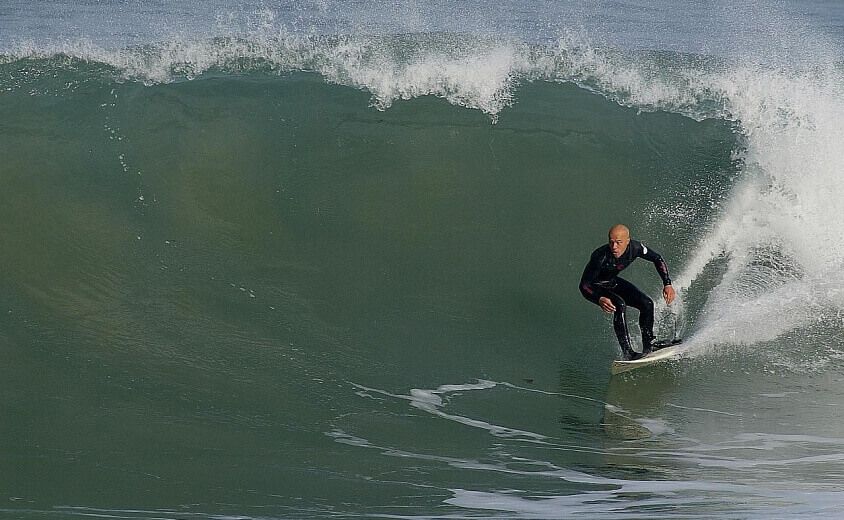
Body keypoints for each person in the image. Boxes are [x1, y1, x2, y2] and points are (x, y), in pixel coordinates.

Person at [579, 224, 676, 360]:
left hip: (612, 282)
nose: (614, 247)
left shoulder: (636, 248)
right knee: (620, 304)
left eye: (618, 243)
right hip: (596, 287)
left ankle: (649, 345)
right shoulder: (600, 256)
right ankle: (628, 353)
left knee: (647, 303)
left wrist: (667, 284)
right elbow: (584, 285)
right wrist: (599, 298)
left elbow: (657, 258)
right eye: (611, 242)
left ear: (627, 241)